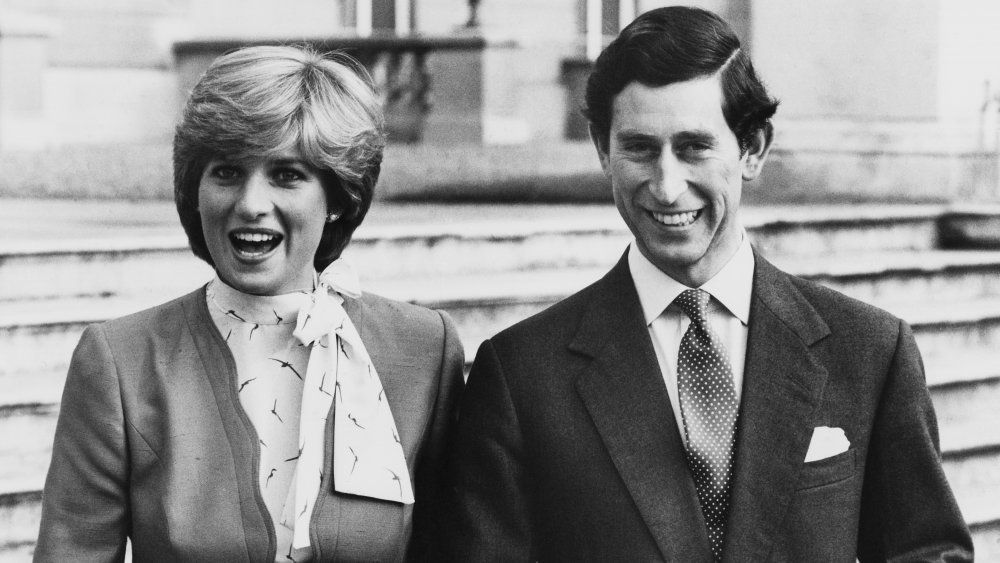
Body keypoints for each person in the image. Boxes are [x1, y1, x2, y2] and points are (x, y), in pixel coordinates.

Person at [440, 6, 973, 562]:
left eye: (694, 147)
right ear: (603, 151)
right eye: (640, 148)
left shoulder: (869, 352)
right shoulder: (522, 374)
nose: (667, 188)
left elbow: (929, 552)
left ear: (753, 149)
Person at [34, 45, 464, 562]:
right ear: (195, 190)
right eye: (227, 172)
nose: (251, 204)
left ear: (338, 198)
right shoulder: (120, 361)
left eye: (287, 175)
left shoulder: (423, 351)